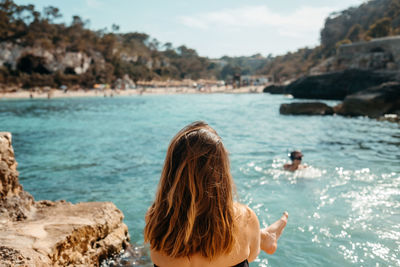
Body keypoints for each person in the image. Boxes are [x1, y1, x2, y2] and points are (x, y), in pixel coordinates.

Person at [144, 121, 288, 267]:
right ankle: (265, 237)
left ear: (172, 170)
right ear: (221, 172)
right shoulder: (244, 218)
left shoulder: (155, 219)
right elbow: (250, 255)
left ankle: (266, 237)